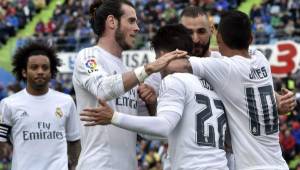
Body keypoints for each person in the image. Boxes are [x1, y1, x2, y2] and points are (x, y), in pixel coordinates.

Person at [80, 24, 229, 170]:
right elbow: (176, 130)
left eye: (157, 57)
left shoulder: (174, 80)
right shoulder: (212, 84)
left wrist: (113, 117)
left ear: (163, 56)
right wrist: (152, 104)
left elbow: (163, 127)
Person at [72, 0, 187, 169]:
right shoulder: (88, 55)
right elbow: (102, 89)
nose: (137, 28)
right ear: (112, 22)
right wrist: (148, 68)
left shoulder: (128, 72)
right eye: (131, 21)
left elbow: (149, 133)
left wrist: (151, 103)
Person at [186, 10, 289, 169]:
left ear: (218, 37)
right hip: (279, 164)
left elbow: (183, 63)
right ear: (251, 39)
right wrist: (277, 99)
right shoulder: (260, 59)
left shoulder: (226, 68)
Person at [0, 41, 81, 170]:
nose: (40, 71)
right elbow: (2, 141)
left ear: (51, 71)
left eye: (45, 67)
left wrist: (76, 166)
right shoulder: (9, 104)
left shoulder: (66, 102)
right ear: (24, 72)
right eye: (34, 67)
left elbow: (74, 141)